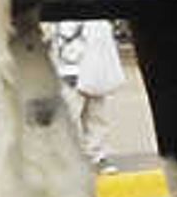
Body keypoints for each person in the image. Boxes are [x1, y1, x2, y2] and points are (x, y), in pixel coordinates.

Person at [47, 18, 124, 170]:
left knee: (97, 117)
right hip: (71, 72)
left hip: (95, 71)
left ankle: (97, 155)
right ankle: (71, 158)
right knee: (71, 118)